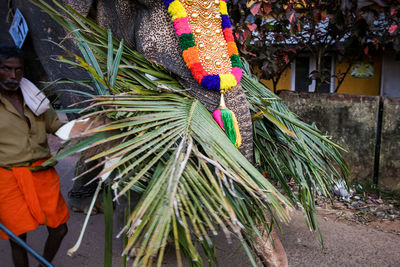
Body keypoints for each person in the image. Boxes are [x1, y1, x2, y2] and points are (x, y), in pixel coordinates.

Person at [0, 44, 69, 267]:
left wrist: (92, 128)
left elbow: (57, 127)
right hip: (8, 177)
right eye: (6, 69)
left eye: (18, 70)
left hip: (42, 172)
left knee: (60, 229)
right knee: (18, 238)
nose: (13, 76)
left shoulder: (34, 97)